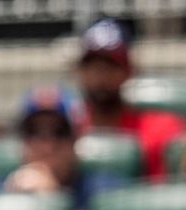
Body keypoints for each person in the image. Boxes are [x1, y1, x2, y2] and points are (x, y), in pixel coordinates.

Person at [2, 85, 125, 210]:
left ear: (76, 138)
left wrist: (52, 197)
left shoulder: (104, 190)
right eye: (33, 132)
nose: (47, 146)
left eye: (59, 132)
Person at [76, 17, 183, 181]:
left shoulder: (158, 128)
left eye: (110, 66)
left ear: (129, 71)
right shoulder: (65, 129)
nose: (101, 75)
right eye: (92, 66)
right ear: (80, 72)